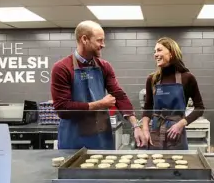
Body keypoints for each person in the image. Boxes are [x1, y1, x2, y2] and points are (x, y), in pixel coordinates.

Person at [51, 20, 147, 150]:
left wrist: (135, 125)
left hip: (101, 137)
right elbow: (62, 109)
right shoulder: (62, 68)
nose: (103, 45)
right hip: (73, 138)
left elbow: (119, 95)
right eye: (99, 40)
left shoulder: (104, 66)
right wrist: (99, 104)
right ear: (84, 39)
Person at [141, 37, 205, 150]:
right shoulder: (152, 79)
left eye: (159, 50)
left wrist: (181, 124)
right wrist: (145, 130)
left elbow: (199, 108)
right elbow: (147, 108)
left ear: (171, 53)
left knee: (178, 166)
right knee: (155, 165)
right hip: (155, 131)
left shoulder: (187, 78)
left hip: (176, 133)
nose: (156, 54)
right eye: (154, 51)